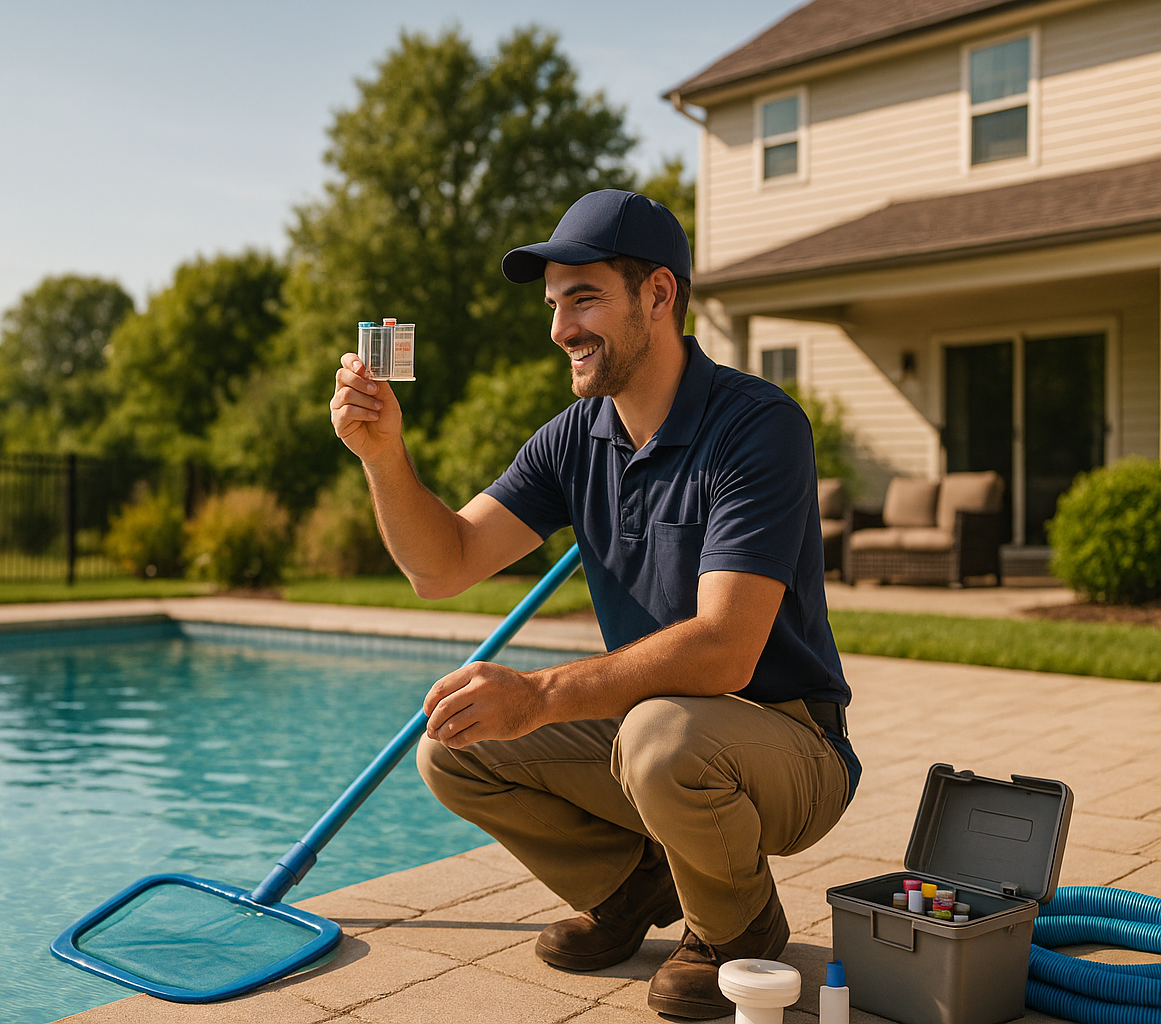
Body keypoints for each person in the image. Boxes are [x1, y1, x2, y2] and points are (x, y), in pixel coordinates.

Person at [329, 189, 861, 1019]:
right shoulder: (576, 438)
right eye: (553, 304)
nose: (560, 330)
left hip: (790, 742)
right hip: (661, 731)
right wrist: (383, 455)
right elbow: (445, 566)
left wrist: (539, 695)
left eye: (584, 299)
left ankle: (739, 927)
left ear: (659, 294)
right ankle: (631, 882)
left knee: (656, 734)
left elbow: (725, 650)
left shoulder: (758, 425)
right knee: (455, 740)